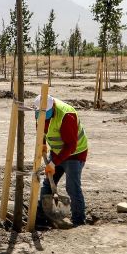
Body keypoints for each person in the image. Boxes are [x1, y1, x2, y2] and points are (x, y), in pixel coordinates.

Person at [35, 94, 89, 227]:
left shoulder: (67, 116)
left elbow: (71, 145)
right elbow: (40, 127)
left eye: (47, 113)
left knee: (72, 187)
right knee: (48, 184)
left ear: (53, 106)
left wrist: (53, 163)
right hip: (57, 151)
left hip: (75, 153)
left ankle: (78, 220)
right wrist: (42, 142)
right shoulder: (40, 110)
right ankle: (42, 217)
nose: (44, 116)